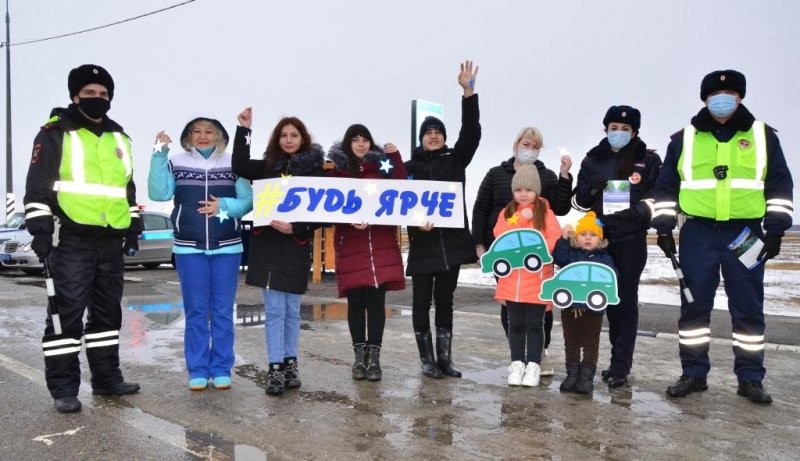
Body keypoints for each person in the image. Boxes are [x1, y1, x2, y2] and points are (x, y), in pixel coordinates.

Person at [652, 70, 794, 404]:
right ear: (704, 98)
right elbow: (665, 188)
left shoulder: (763, 136)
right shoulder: (683, 139)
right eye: (716, 93)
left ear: (741, 96)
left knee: (747, 307)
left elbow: (779, 184)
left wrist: (775, 229)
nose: (722, 98)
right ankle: (694, 374)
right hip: (698, 232)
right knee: (694, 307)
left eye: (730, 92)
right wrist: (663, 228)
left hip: (745, 232)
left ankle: (750, 378)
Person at [23, 64, 142, 413]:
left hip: (110, 240)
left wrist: (132, 227)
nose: (97, 99)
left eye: (103, 94)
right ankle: (64, 388)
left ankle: (107, 380)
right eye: (90, 93)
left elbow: (126, 190)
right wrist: (41, 232)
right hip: (70, 237)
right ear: (75, 96)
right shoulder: (54, 133)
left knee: (107, 315)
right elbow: (38, 186)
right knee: (66, 314)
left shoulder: (121, 138)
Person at [148, 118, 253, 391]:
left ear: (219, 136)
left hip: (227, 246)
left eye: (209, 132)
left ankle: (220, 368)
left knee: (221, 311)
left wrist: (224, 206)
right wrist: (159, 154)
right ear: (188, 136)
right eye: (197, 131)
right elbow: (158, 193)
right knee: (196, 311)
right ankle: (197, 368)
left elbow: (248, 202)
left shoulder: (233, 164)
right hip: (188, 247)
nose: (203, 136)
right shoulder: (177, 161)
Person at [232, 107, 326, 396]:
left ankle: (290, 364)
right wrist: (244, 130)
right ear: (277, 139)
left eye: (294, 135)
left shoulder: (315, 172)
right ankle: (274, 369)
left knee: (292, 312)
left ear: (302, 139)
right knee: (274, 311)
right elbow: (239, 164)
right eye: (283, 135)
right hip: (268, 247)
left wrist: (296, 227)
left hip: (295, 247)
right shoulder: (265, 167)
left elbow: (324, 213)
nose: (288, 140)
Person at [571, 105, 662, 388]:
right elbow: (579, 201)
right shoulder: (592, 159)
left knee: (625, 302)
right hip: (600, 241)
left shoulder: (648, 160)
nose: (619, 132)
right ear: (606, 129)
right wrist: (594, 188)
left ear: (634, 131)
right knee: (606, 301)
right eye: (614, 128)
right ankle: (602, 362)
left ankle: (621, 366)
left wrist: (639, 213)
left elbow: (657, 196)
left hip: (631, 239)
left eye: (625, 129)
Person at [471, 126, 573, 376]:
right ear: (516, 144)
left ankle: (539, 355)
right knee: (512, 306)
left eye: (535, 146)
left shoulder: (545, 176)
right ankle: (517, 357)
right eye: (526, 144)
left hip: (539, 267)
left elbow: (558, 209)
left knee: (539, 310)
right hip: (505, 256)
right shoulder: (496, 174)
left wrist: (564, 176)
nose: (529, 150)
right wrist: (479, 245)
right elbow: (480, 209)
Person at [404, 60, 481, 379]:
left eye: (438, 133)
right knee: (421, 303)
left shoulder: (455, 159)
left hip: (450, 245)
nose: (433, 136)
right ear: (421, 138)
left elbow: (472, 133)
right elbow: (396, 204)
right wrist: (414, 223)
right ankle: (427, 360)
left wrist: (468, 93)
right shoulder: (409, 168)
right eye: (428, 133)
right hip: (422, 245)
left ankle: (445, 360)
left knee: (445, 302)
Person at [326, 124, 408, 381]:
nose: (360, 144)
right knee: (355, 304)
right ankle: (358, 358)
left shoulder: (382, 170)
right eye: (355, 140)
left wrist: (395, 158)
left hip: (380, 245)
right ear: (347, 143)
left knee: (376, 304)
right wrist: (348, 219)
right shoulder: (337, 172)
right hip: (351, 245)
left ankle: (374, 359)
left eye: (365, 140)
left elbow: (402, 188)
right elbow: (325, 205)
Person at [492, 165, 561, 386]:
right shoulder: (508, 213)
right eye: (519, 189)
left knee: (535, 324)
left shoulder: (546, 213)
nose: (523, 194)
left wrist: (537, 253)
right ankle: (516, 363)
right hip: (512, 282)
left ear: (537, 191)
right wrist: (521, 218)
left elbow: (554, 240)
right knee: (515, 324)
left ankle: (533, 364)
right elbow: (500, 236)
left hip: (537, 281)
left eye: (528, 190)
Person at [552, 211, 616, 394]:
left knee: (590, 343)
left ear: (600, 239)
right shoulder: (571, 254)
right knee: (570, 342)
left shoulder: (605, 258)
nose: (588, 238)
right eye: (583, 234)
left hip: (593, 311)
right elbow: (559, 258)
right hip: (570, 308)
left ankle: (586, 378)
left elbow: (612, 278)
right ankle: (572, 374)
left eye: (593, 235)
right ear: (576, 237)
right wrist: (564, 240)